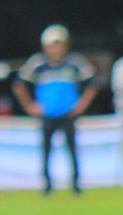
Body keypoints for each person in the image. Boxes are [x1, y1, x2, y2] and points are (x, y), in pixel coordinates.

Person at [12, 24, 98, 194]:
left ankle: (76, 185)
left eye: (60, 44)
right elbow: (19, 84)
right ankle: (46, 186)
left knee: (72, 150)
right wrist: (30, 106)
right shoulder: (38, 64)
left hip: (68, 113)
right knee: (46, 151)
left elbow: (93, 83)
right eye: (53, 44)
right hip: (47, 114)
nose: (56, 48)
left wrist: (81, 106)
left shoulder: (74, 63)